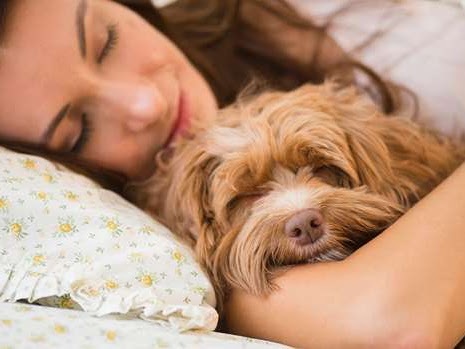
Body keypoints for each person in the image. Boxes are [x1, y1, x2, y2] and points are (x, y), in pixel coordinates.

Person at [0, 0, 464, 347]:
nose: (146, 104)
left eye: (108, 42)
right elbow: (397, 327)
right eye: (78, 131)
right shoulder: (183, 255)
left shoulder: (284, 14)